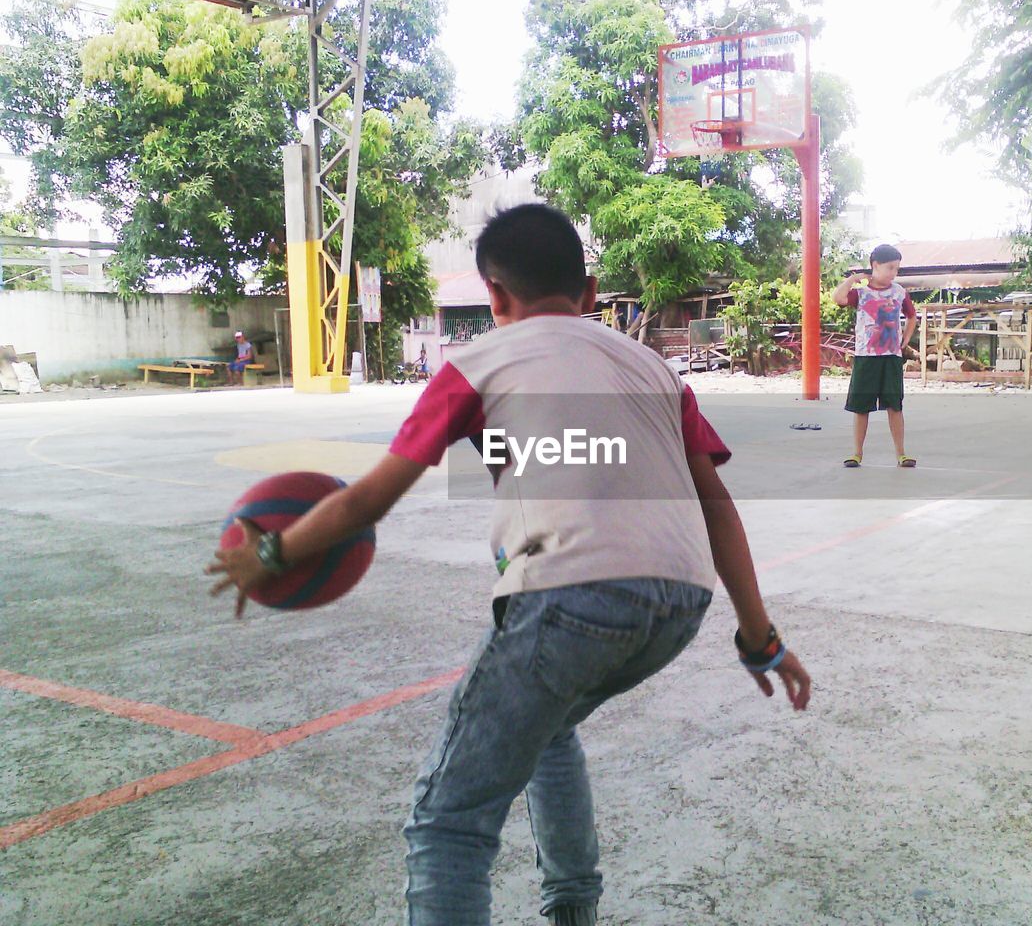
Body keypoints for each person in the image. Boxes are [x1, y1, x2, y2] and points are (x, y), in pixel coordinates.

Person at [207, 203, 810, 926]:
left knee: (448, 822)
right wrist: (759, 637)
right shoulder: (654, 368)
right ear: (590, 296)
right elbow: (714, 503)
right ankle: (572, 910)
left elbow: (368, 499)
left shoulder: (476, 361)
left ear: (493, 297)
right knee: (546, 729)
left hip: (570, 602)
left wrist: (271, 551)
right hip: (679, 606)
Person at [833, 243, 918, 468]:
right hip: (865, 357)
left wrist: (905, 340)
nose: (893, 273)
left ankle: (901, 454)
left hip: (891, 357)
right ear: (875, 266)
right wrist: (852, 279)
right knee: (861, 407)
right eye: (890, 268)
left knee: (895, 406)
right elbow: (838, 298)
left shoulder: (899, 292)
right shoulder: (861, 293)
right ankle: (857, 453)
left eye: (896, 269)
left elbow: (911, 316)